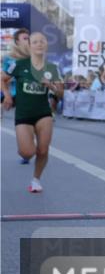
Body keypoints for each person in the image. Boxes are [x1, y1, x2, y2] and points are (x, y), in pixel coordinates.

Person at [2, 33, 64, 193]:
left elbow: (61, 94)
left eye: (42, 41)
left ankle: (36, 180)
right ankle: (27, 148)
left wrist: (50, 85)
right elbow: (2, 79)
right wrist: (7, 96)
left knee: (43, 150)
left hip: (43, 113)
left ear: (46, 45)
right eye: (35, 42)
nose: (39, 44)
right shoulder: (19, 64)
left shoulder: (52, 68)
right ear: (29, 46)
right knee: (27, 152)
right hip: (23, 114)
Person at [3, 28, 32, 162]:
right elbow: (3, 78)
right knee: (23, 122)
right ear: (17, 42)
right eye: (25, 38)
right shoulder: (9, 58)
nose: (28, 40)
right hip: (15, 92)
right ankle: (25, 149)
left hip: (31, 94)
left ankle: (28, 148)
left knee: (31, 122)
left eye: (29, 38)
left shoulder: (35, 56)